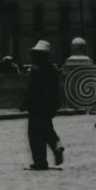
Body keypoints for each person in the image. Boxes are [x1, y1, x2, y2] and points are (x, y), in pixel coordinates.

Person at [20, 40, 64, 170]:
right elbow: (56, 90)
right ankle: (57, 146)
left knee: (34, 134)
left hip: (36, 106)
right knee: (46, 129)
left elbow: (31, 89)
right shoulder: (52, 69)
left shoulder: (35, 69)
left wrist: (24, 104)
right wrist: (55, 106)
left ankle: (40, 161)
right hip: (49, 106)